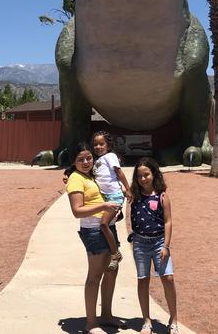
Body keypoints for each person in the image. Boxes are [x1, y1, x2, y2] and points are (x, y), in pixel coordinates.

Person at [66, 142, 123, 334]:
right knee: (95, 275)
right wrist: (103, 207)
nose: (86, 162)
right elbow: (77, 211)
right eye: (80, 159)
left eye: (89, 158)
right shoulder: (76, 178)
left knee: (111, 270)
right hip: (93, 231)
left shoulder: (91, 175)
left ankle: (106, 314)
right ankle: (91, 322)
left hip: (107, 227)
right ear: (73, 161)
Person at [64, 131, 132, 270]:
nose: (98, 147)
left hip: (112, 200)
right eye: (95, 144)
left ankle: (114, 253)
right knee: (96, 274)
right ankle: (115, 253)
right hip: (95, 225)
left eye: (102, 144)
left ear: (109, 145)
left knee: (104, 225)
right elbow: (77, 210)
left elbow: (118, 172)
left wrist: (127, 189)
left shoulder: (109, 157)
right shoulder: (92, 167)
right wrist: (69, 173)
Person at [130, 158, 179, 334]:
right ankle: (146, 320)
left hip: (159, 242)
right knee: (143, 280)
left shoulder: (162, 196)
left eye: (146, 174)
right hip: (140, 243)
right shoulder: (134, 196)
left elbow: (168, 221)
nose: (143, 179)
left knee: (168, 278)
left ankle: (173, 319)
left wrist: (166, 246)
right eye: (139, 176)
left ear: (154, 174)